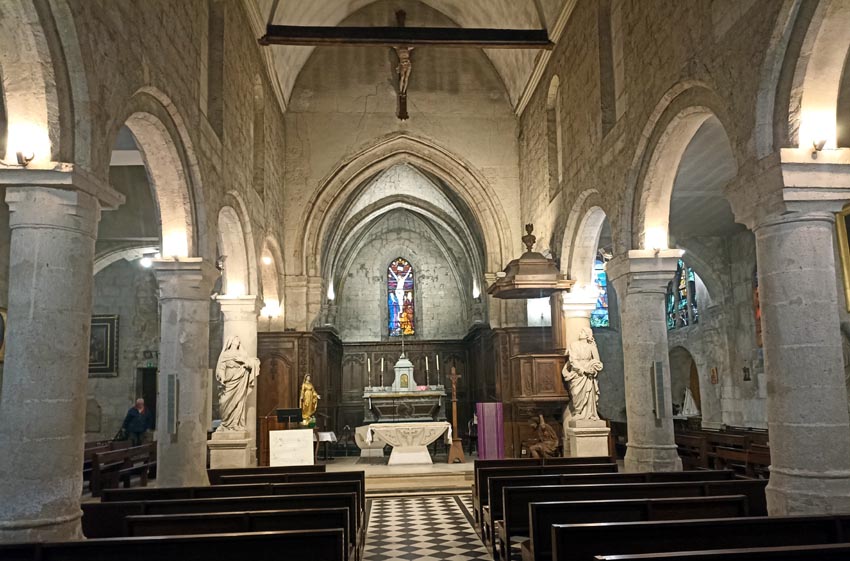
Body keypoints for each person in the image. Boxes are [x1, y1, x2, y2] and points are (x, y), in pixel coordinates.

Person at [215, 335, 260, 432]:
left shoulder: (242, 354)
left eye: (238, 341)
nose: (236, 342)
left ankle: (235, 423)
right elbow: (221, 368)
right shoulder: (225, 355)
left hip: (240, 381)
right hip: (228, 380)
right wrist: (222, 377)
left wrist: (244, 361)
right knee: (223, 402)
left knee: (239, 401)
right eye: (234, 341)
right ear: (230, 342)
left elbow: (252, 363)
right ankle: (225, 423)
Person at [563, 327, 604, 421]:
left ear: (587, 335)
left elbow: (598, 362)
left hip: (588, 375)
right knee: (576, 392)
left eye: (582, 332)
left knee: (589, 393)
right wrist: (583, 369)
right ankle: (578, 412)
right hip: (578, 373)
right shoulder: (574, 345)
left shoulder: (592, 346)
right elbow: (572, 359)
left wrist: (593, 369)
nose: (580, 333)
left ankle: (588, 413)